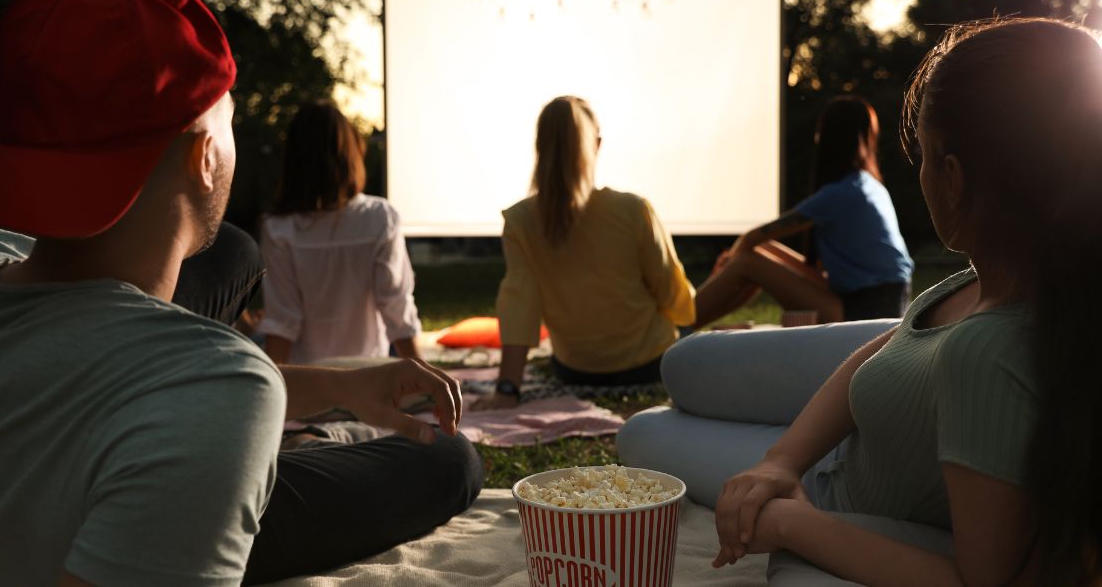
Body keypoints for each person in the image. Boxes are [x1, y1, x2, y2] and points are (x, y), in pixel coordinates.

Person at [0, 0, 480, 586]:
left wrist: (337, 386)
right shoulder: (217, 394)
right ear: (205, 157)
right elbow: (190, 391)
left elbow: (71, 344)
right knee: (449, 457)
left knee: (231, 251)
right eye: (228, 115)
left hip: (94, 447)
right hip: (136, 515)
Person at [623, 17, 1102, 585]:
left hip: (843, 482)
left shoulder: (989, 350)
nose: (918, 173)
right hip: (866, 412)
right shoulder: (1001, 276)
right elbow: (896, 337)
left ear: (952, 176)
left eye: (921, 155)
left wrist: (788, 524)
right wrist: (781, 460)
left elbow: (983, 580)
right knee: (683, 366)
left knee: (643, 433)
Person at [474, 96, 696, 410]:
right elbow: (670, 289)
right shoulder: (633, 209)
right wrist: (687, 323)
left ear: (540, 145)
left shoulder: (519, 220)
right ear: (597, 144)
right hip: (651, 363)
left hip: (574, 371)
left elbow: (519, 306)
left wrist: (507, 389)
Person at [692, 96, 913, 328]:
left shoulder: (839, 194)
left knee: (746, 262)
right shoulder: (869, 185)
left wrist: (728, 263)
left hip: (862, 312)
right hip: (884, 304)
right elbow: (758, 242)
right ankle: (690, 323)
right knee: (757, 251)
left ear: (826, 138)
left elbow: (751, 237)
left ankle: (680, 324)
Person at [259, 101, 422, 364]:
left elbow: (282, 320)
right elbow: (396, 308)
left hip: (310, 381)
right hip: (369, 377)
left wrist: (275, 395)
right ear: (351, 154)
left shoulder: (278, 228)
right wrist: (423, 379)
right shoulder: (379, 217)